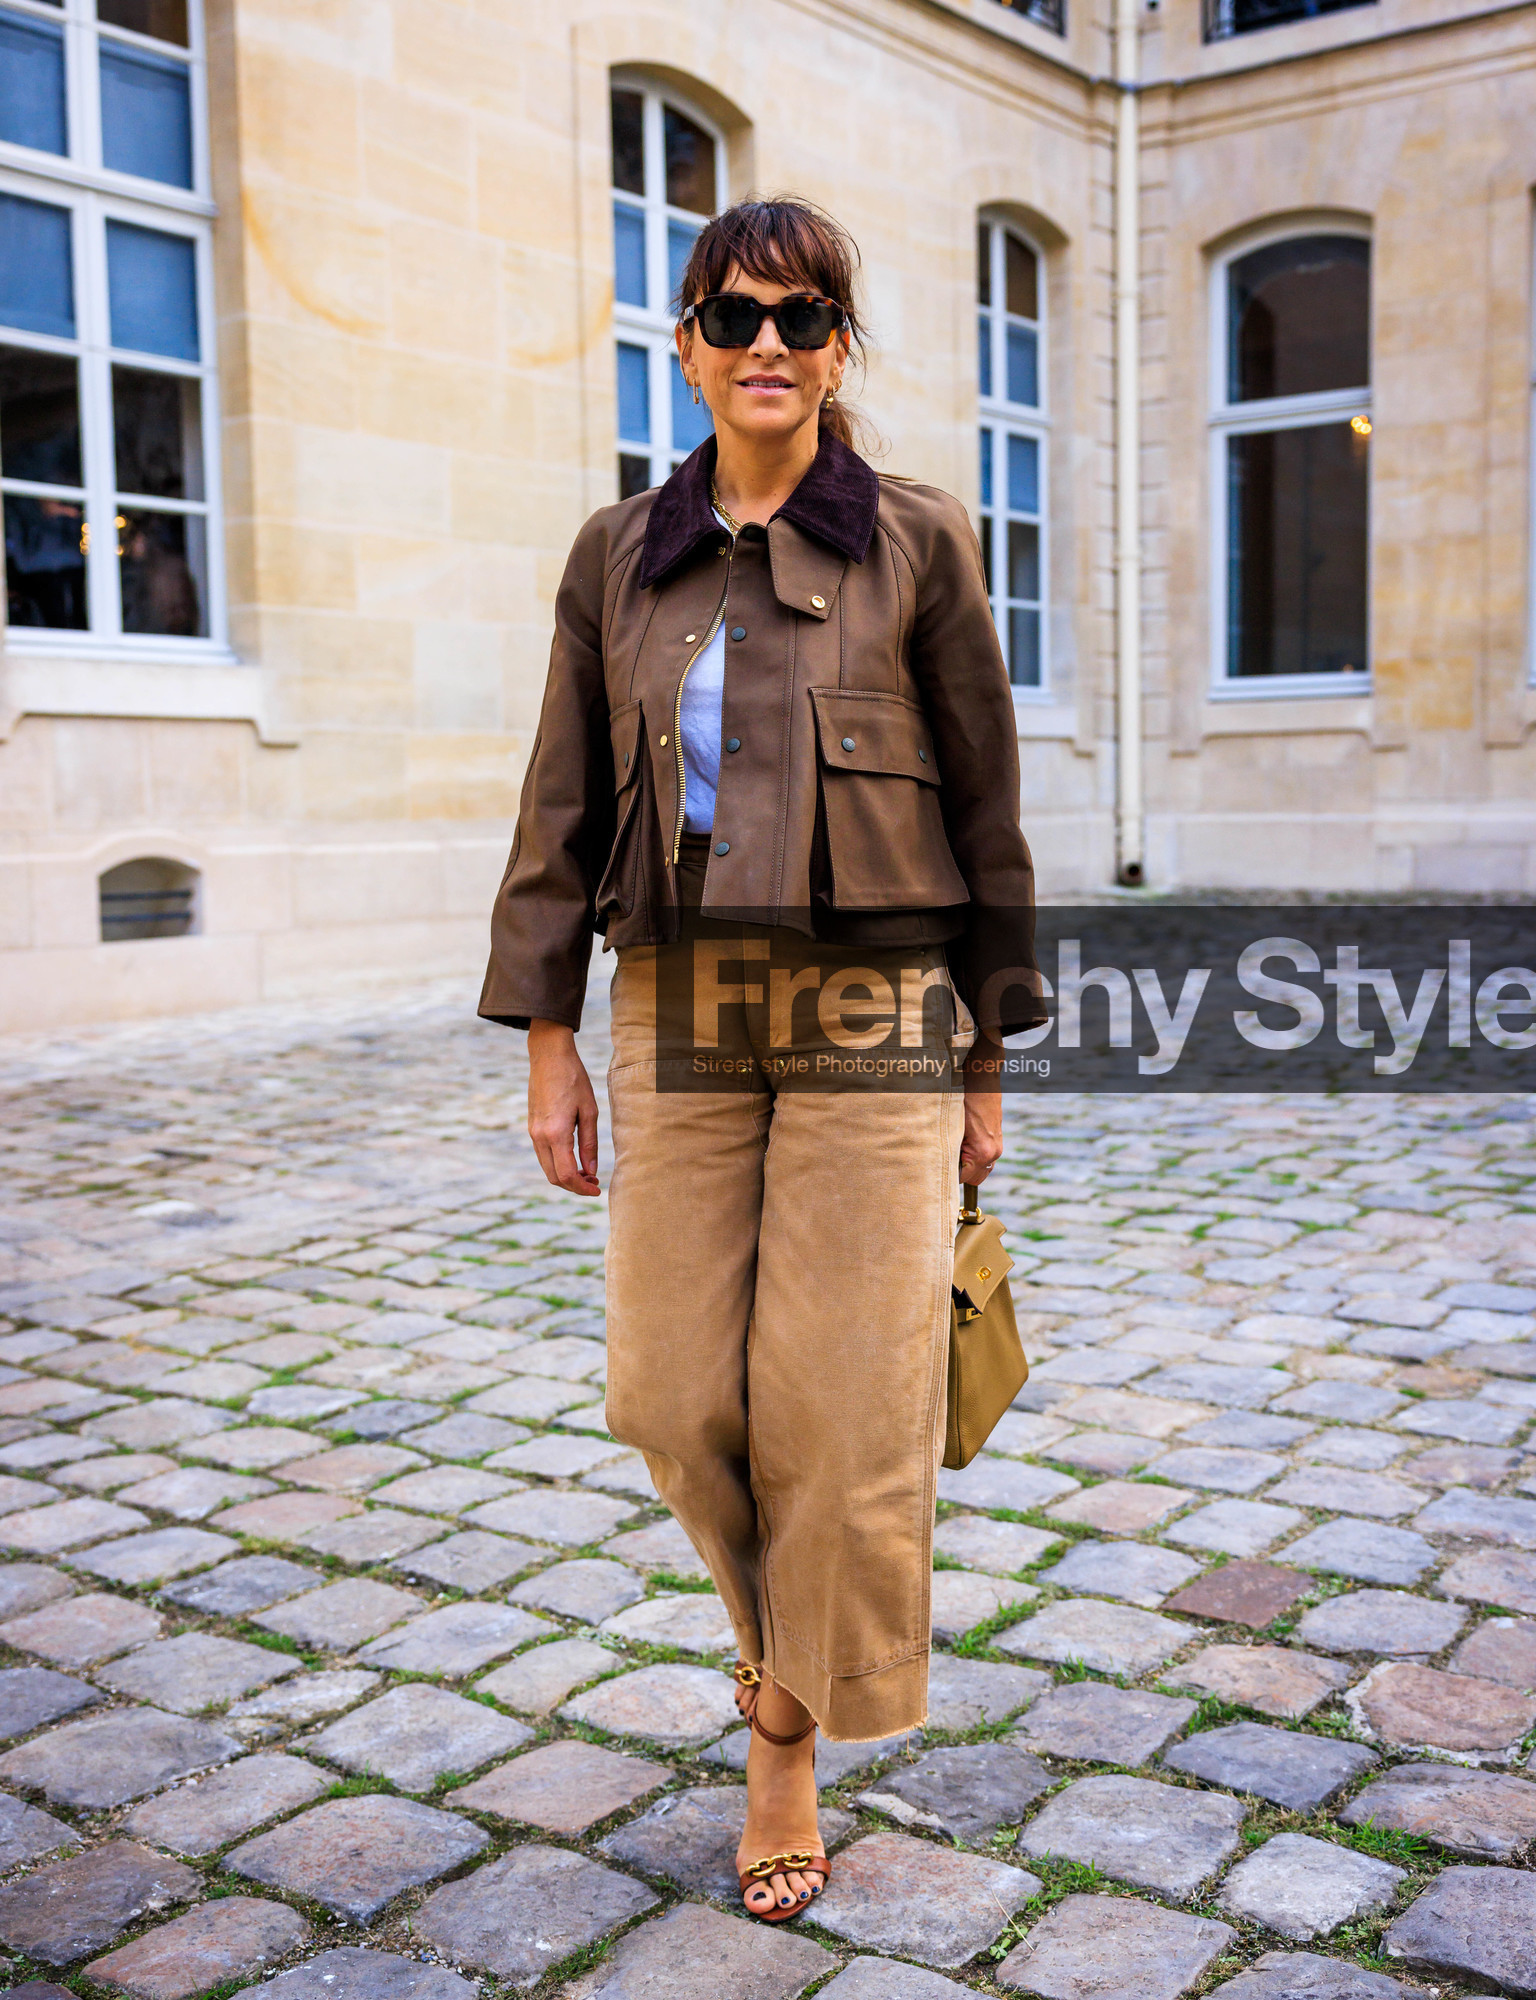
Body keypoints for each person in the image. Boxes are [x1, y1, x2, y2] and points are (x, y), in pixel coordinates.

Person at [480, 196, 1039, 1922]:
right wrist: (551, 1040)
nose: (769, 346)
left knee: (843, 1403)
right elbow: (559, 805)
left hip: (879, 1005)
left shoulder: (920, 540)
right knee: (667, 1390)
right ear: (688, 349)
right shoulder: (617, 553)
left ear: (841, 348)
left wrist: (987, 1063)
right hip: (680, 1002)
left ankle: (784, 1733)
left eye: (803, 318)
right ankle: (778, 1642)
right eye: (734, 317)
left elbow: (989, 801)